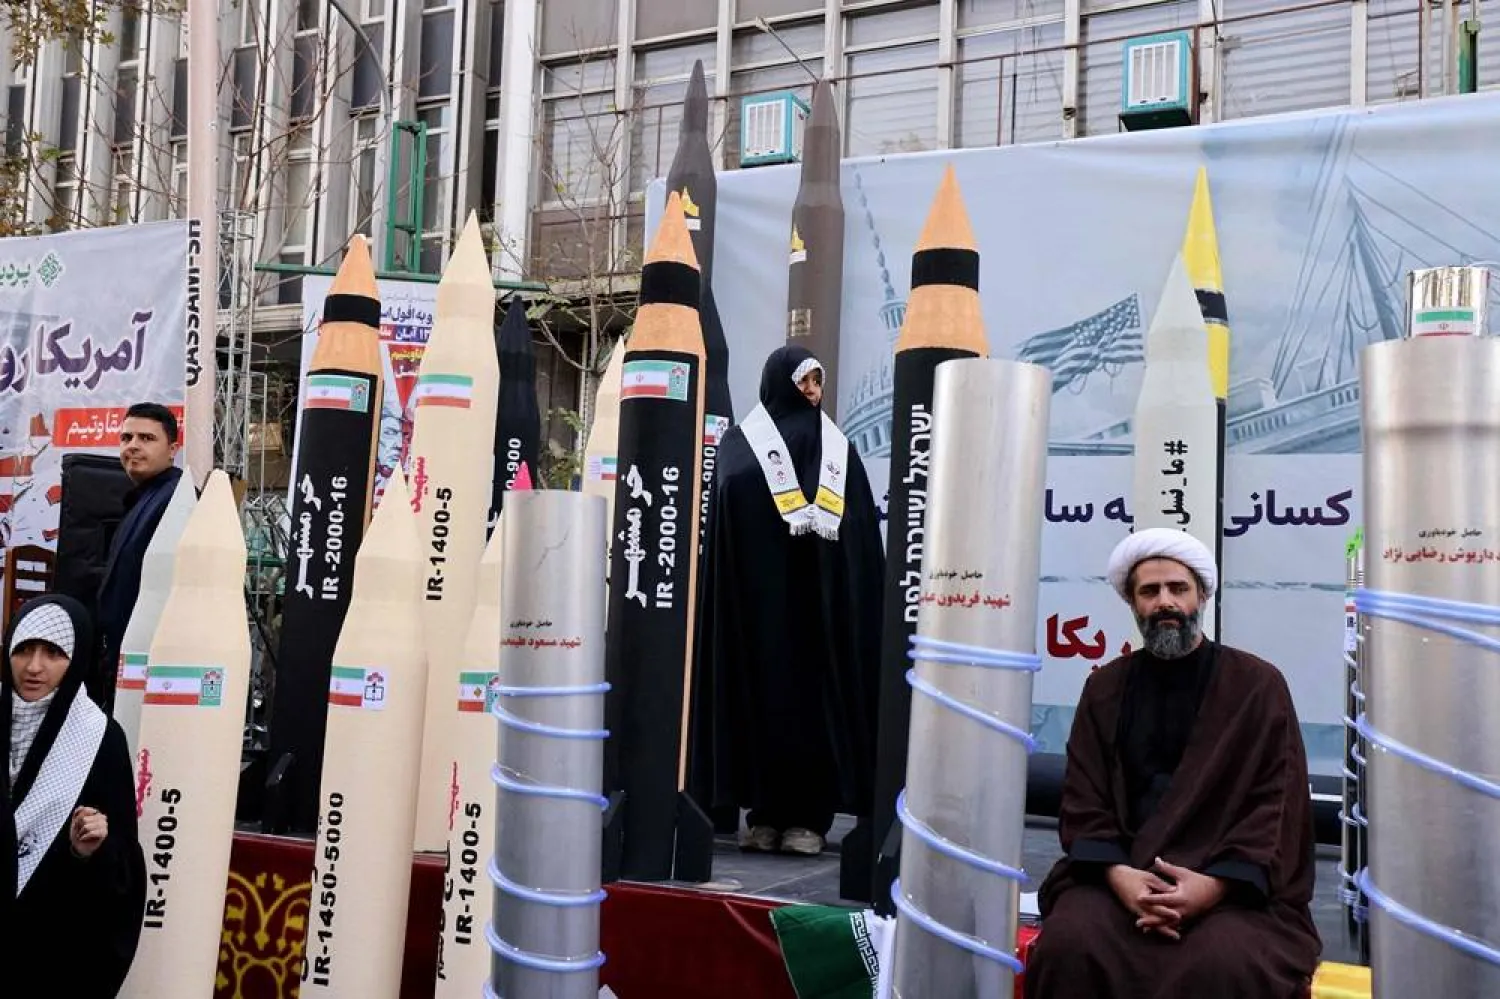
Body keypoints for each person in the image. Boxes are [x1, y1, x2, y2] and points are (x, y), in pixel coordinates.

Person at [1024, 528, 1321, 999]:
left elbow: (1276, 805)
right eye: (1150, 591)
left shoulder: (1258, 686)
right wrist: (1122, 878)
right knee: (1071, 944)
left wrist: (1212, 887)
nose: (1165, 602)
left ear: (1201, 594)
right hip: (1120, 882)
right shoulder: (1105, 689)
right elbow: (1084, 800)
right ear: (1133, 603)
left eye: (1177, 588)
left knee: (1224, 963)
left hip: (1232, 891)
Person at [688, 345, 885, 856]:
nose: (813, 392)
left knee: (811, 710)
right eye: (804, 382)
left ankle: (810, 820)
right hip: (755, 606)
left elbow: (858, 528)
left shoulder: (835, 447)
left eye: (818, 382)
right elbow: (732, 496)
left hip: (816, 609)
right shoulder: (741, 441)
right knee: (758, 702)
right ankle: (765, 814)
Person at [2, 594, 146, 994]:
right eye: (23, 650)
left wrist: (88, 851)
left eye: (52, 653)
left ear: (76, 658)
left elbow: (123, 869)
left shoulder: (97, 740)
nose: (34, 667)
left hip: (51, 953)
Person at [94, 402, 184, 709]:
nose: (133, 446)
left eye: (146, 438)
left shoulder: (178, 498)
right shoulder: (141, 499)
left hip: (150, 664)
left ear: (172, 449)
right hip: (120, 657)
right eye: (126, 438)